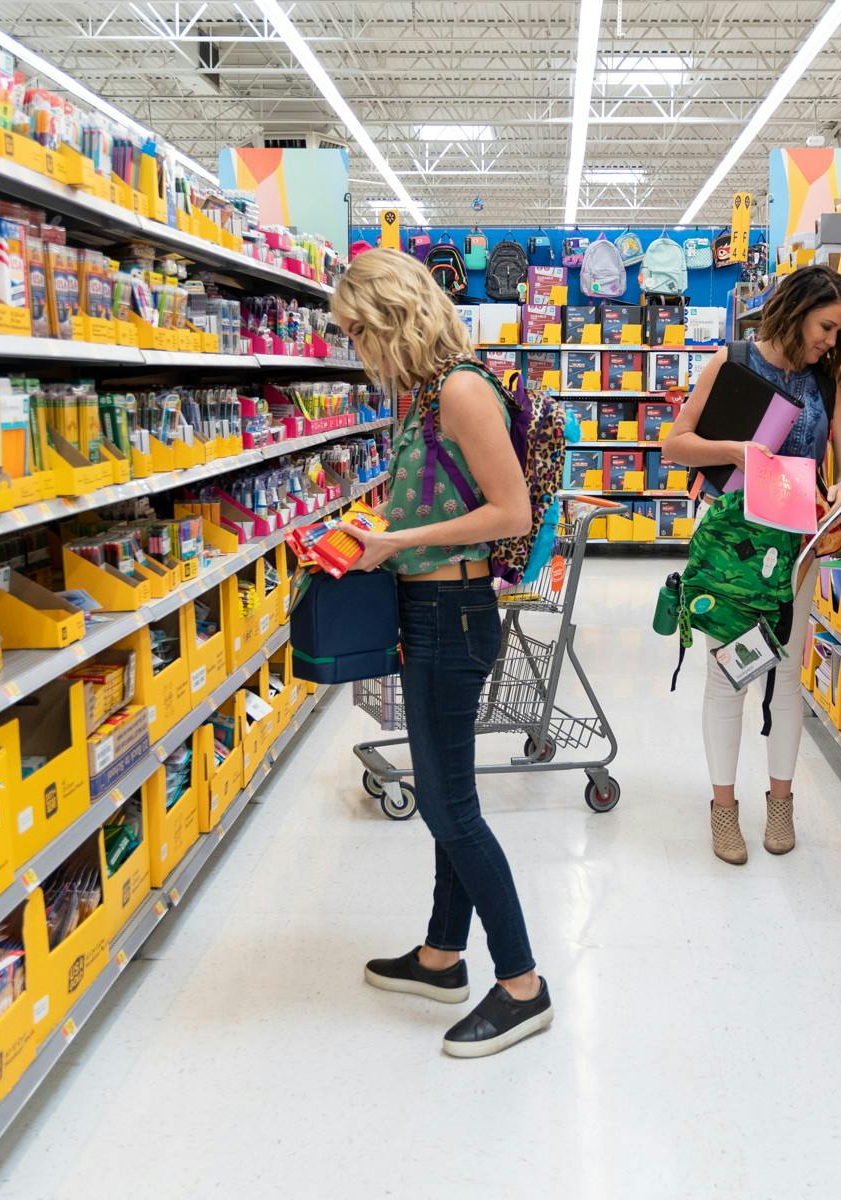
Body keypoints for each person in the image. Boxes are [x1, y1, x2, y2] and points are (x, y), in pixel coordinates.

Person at [329, 248, 551, 1058]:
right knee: (448, 795)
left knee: (449, 807)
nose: (357, 351)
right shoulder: (425, 396)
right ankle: (440, 956)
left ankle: (523, 984)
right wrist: (373, 532)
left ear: (392, 316)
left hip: (454, 616)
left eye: (358, 332)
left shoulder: (460, 387)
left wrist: (399, 540)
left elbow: (511, 512)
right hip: (427, 608)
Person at [662, 265, 841, 865]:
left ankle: (781, 802)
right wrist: (735, 451)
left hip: (798, 546)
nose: (831, 340)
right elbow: (675, 444)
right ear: (798, 309)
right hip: (733, 549)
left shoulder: (831, 383)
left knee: (786, 674)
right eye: (826, 326)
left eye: (838, 332)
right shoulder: (732, 363)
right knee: (729, 673)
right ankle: (724, 809)